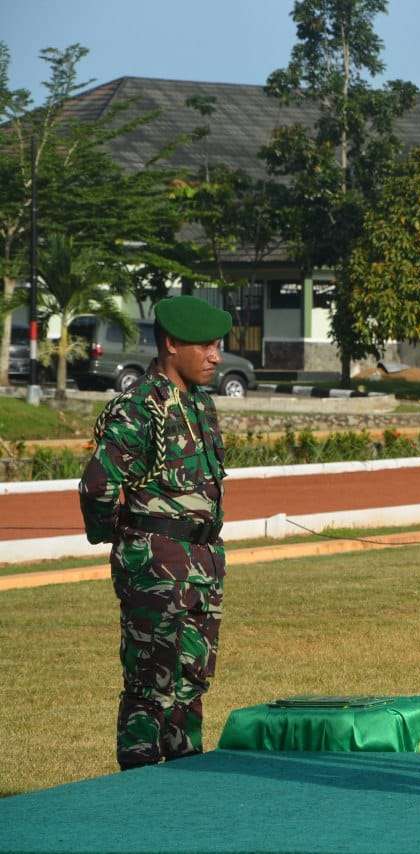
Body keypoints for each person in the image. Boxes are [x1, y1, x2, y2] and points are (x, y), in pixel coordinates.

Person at [79, 295, 231, 770]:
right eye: (205, 346)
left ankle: (186, 788)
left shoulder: (199, 403)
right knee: (151, 686)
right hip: (157, 567)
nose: (216, 356)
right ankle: (138, 796)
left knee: (191, 684)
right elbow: (99, 483)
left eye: (217, 345)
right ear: (171, 344)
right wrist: (114, 535)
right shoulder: (141, 407)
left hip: (201, 564)